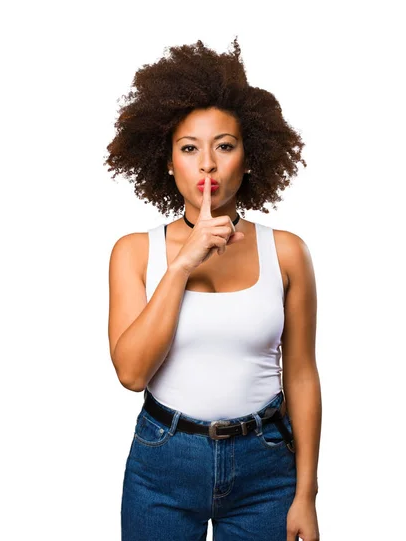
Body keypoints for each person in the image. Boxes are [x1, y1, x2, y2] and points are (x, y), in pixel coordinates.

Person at [105, 37, 321, 541]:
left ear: (248, 159)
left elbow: (304, 377)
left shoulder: (286, 252)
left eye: (223, 146)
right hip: (163, 465)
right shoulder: (135, 252)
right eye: (188, 148)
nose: (206, 164)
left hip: (265, 469)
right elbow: (132, 373)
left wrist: (306, 494)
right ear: (167, 161)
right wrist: (182, 264)